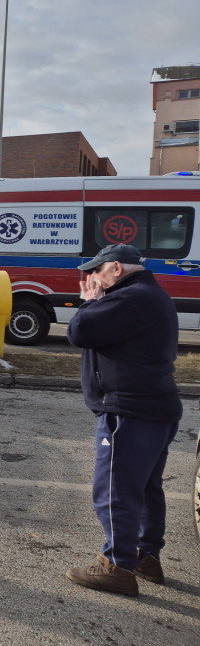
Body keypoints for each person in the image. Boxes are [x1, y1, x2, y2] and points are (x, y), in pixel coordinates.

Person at [65, 243, 182, 597]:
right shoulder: (148, 294)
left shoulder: (129, 298)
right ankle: (147, 558)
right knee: (145, 488)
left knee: (115, 491)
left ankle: (117, 567)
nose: (91, 279)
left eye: (97, 271)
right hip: (154, 407)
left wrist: (90, 302)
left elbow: (79, 332)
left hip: (129, 412)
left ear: (116, 268)